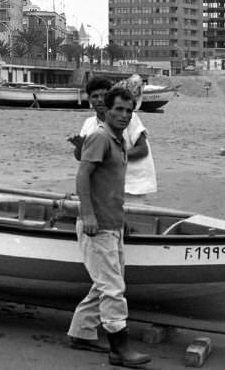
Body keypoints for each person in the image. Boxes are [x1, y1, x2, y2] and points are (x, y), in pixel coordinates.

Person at [66, 86, 151, 367]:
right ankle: (119, 349)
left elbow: (112, 186)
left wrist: (120, 218)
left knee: (107, 283)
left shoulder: (118, 140)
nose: (124, 115)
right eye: (119, 109)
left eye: (129, 111)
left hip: (112, 223)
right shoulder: (101, 137)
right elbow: (83, 177)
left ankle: (81, 332)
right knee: (113, 288)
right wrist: (88, 215)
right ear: (107, 109)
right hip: (97, 225)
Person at [72, 75, 156, 201]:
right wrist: (79, 147)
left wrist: (114, 156)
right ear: (89, 99)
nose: (100, 100)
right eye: (95, 96)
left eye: (104, 95)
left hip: (132, 186)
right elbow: (81, 157)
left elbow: (143, 150)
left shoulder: (127, 117)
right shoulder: (89, 124)